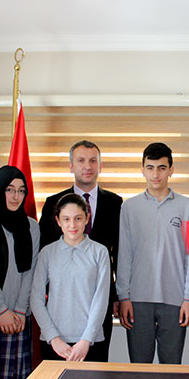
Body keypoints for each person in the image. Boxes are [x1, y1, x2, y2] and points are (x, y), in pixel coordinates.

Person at [38, 140, 122, 361]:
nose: (87, 166)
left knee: (95, 366)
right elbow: (44, 253)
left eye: (93, 161)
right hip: (60, 306)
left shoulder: (115, 203)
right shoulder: (52, 203)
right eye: (81, 160)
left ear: (100, 166)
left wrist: (118, 296)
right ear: (71, 166)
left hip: (100, 302)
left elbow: (119, 253)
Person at [116, 142, 189, 364]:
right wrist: (123, 296)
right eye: (150, 168)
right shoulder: (129, 207)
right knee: (140, 368)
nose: (155, 174)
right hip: (137, 299)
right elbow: (124, 254)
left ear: (171, 170)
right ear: (142, 169)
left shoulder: (186, 206)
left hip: (175, 299)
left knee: (171, 368)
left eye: (162, 168)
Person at [0, 165, 40, 379]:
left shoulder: (31, 226)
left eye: (21, 190)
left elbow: (31, 271)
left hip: (19, 317)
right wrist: (2, 310)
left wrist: (19, 310)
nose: (16, 196)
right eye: (9, 190)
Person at [31, 194, 110, 362]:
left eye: (78, 218)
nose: (72, 225)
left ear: (87, 218)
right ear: (58, 221)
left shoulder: (100, 252)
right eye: (66, 219)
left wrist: (86, 340)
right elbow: (36, 298)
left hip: (90, 342)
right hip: (54, 343)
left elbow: (101, 299)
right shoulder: (47, 253)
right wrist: (53, 338)